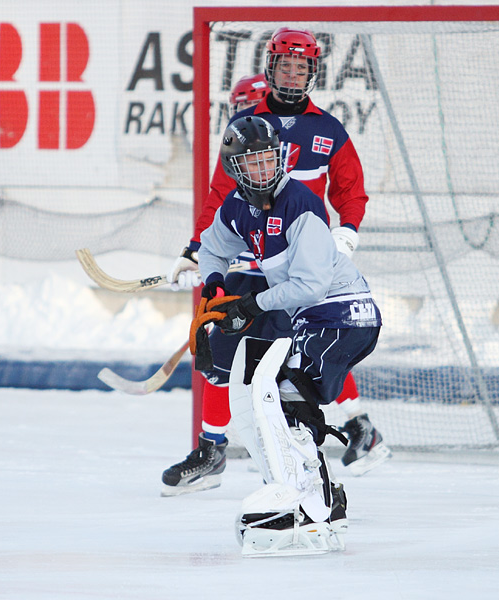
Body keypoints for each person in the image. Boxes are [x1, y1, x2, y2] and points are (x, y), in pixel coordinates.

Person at [162, 29, 390, 497]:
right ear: (269, 68)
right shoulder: (250, 127)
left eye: (300, 67)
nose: (292, 75)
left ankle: (327, 444)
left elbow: (351, 190)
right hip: (252, 260)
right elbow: (222, 198)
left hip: (294, 261)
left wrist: (345, 233)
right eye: (284, 66)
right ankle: (213, 449)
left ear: (313, 73)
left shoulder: (328, 130)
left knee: (302, 348)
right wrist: (199, 253)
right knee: (218, 343)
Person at [192, 114, 381, 555]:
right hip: (315, 319)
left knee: (286, 398)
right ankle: (318, 505)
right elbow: (212, 246)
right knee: (279, 399)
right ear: (236, 169)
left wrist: (251, 303)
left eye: (268, 159)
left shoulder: (301, 205)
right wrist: (216, 283)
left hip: (341, 315)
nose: (264, 170)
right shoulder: (236, 207)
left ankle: (307, 503)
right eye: (252, 163)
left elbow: (311, 286)